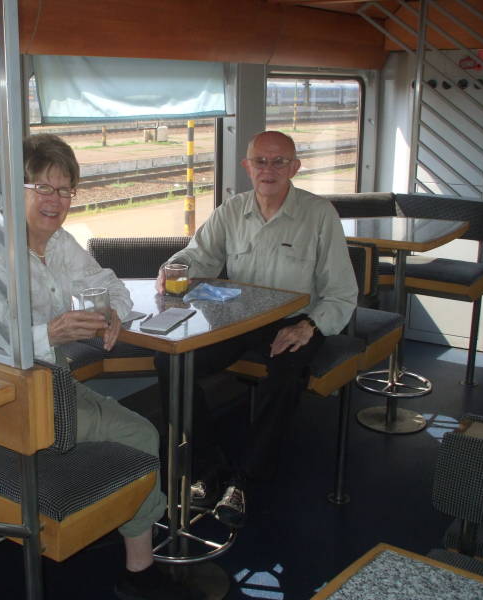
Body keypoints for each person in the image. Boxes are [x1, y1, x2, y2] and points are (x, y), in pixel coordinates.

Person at [0, 133, 186, 600]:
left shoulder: (59, 244)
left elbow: (105, 283)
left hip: (50, 386)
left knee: (136, 427)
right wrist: (48, 336)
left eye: (64, 190)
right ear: (14, 190)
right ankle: (140, 572)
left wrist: (113, 312)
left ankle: (128, 539)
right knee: (144, 434)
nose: (55, 201)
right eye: (43, 188)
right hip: (2, 400)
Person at [153, 130, 358, 529]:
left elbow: (341, 291)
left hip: (297, 320)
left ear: (295, 167)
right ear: (247, 167)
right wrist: (172, 267)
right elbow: (201, 255)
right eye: (260, 161)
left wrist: (309, 326)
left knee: (284, 372)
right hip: (240, 318)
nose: (269, 169)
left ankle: (245, 479)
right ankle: (206, 466)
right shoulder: (232, 211)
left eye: (279, 161)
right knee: (172, 361)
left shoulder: (319, 215)